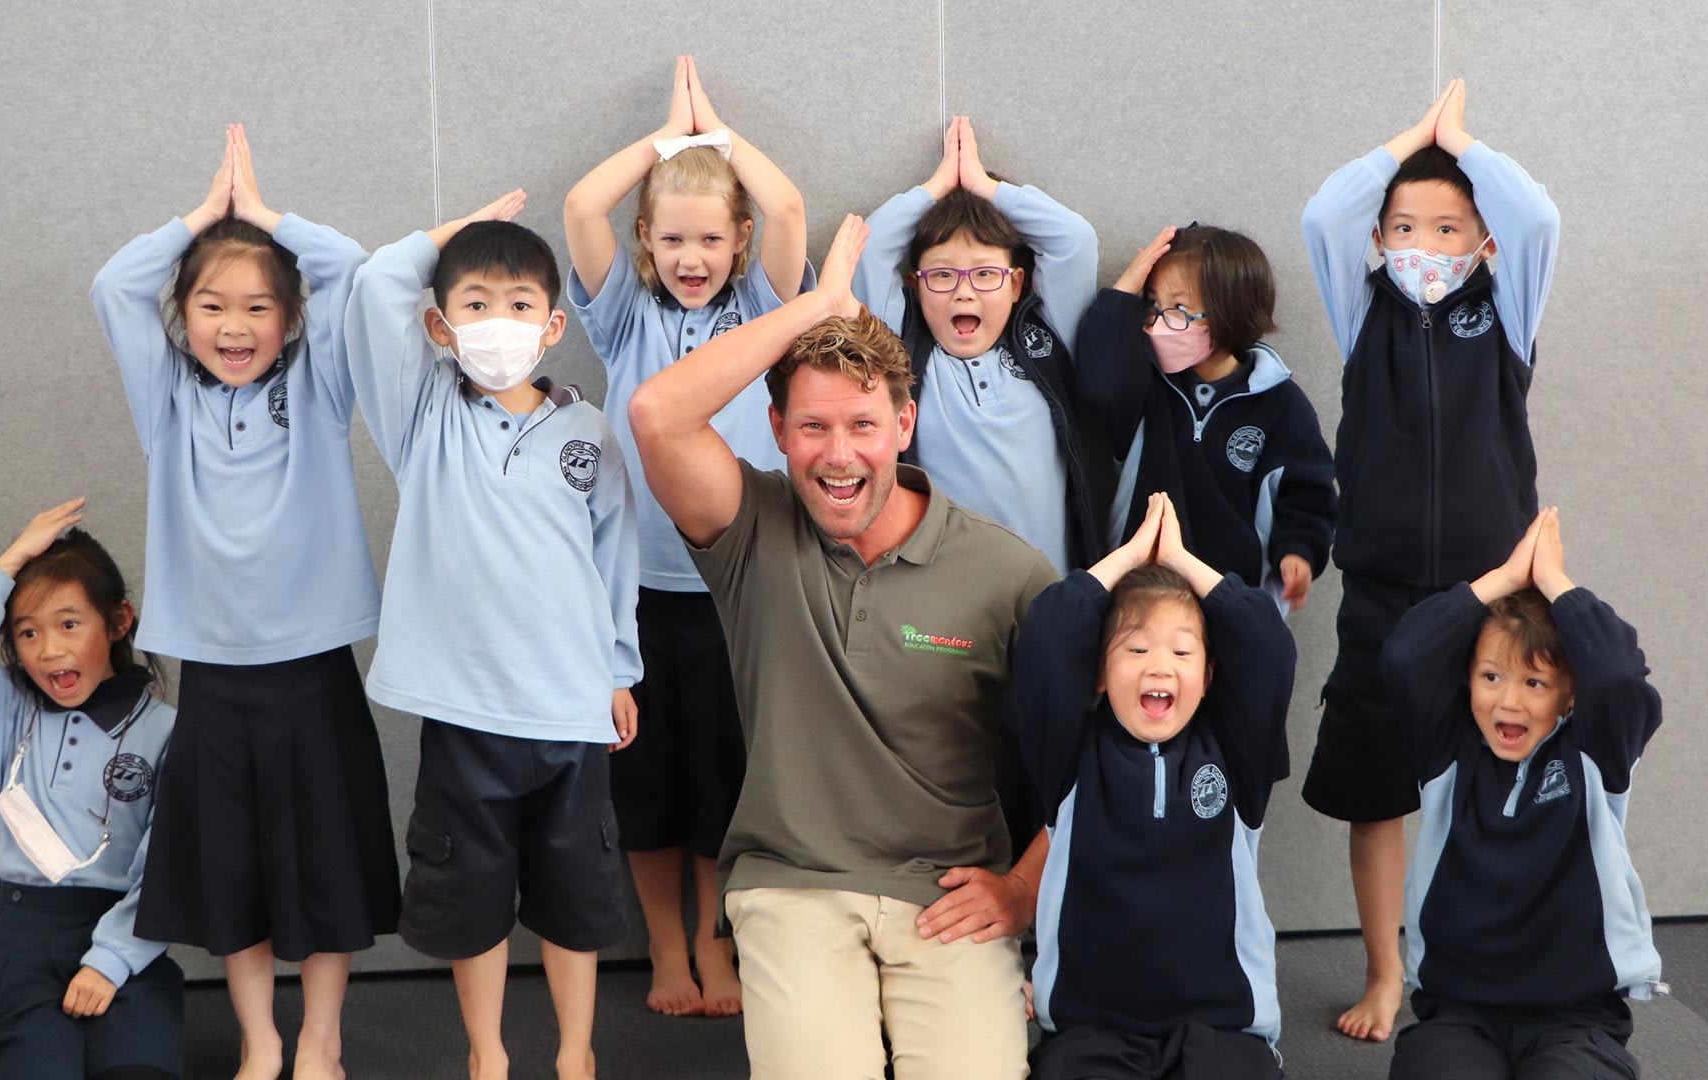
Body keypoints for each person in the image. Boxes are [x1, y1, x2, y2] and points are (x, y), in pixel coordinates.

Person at [628, 214, 1056, 1079]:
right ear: (778, 431)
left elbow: (1095, 749)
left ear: (904, 423)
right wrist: (815, 308)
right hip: (792, 885)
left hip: (948, 895)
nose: (838, 455)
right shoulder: (753, 529)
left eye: (862, 426)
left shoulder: (1006, 571)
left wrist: (1022, 890)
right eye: (813, 428)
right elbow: (656, 413)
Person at [91, 124, 399, 1079]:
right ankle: (262, 1040)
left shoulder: (317, 386)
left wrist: (261, 215)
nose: (235, 326)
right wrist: (198, 217)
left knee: (327, 858)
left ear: (291, 318)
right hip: (213, 673)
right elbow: (113, 286)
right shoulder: (167, 400)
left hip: (313, 665)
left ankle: (320, 1038)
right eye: (211, 305)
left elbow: (351, 266)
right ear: (180, 316)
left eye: (259, 307)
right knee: (234, 866)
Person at [345, 190, 640, 1080]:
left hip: (570, 709)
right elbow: (372, 288)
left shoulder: (588, 434)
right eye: (475, 305)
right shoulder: (423, 418)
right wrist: (445, 235)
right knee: (468, 897)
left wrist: (619, 671)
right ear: (441, 327)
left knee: (575, 896)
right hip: (466, 712)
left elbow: (613, 564)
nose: (496, 322)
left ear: (552, 327)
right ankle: (487, 1055)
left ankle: (577, 1054)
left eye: (517, 307)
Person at [1298, 78, 1560, 1041]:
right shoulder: (1363, 311)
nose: (1422, 246)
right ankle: (1385, 973)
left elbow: (1537, 213)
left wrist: (1465, 146)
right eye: (1403, 227)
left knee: (1496, 779)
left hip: (1494, 593)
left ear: (1482, 244)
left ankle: (1487, 969)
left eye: (1447, 229)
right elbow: (1327, 210)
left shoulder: (1511, 309)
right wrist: (1406, 140)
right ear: (1381, 242)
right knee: (1380, 790)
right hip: (1381, 589)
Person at [562, 55, 809, 1017]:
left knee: (728, 782)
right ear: (648, 245)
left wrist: (720, 140)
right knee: (649, 787)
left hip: (742, 586)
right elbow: (584, 208)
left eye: (711, 236)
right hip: (635, 596)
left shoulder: (762, 308)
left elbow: (788, 211)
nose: (692, 255)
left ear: (737, 241)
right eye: (673, 239)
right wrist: (671, 142)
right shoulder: (624, 317)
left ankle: (719, 949)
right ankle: (666, 950)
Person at [1017, 492, 1292, 1080]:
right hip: (1091, 1030)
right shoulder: (1068, 758)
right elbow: (1047, 631)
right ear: (1098, 671)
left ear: (1208, 674)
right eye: (1136, 648)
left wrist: (1183, 560)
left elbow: (1267, 645)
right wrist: (1130, 556)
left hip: (1223, 1029)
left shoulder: (1236, 761)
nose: (1159, 665)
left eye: (1181, 650)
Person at [1382, 508, 1662, 1079]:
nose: (1508, 702)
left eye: (1534, 683)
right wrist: (1506, 578)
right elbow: (1405, 655)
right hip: (1458, 1013)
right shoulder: (1447, 750)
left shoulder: (1592, 754)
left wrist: (1556, 583)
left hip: (1576, 1017)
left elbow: (1617, 676)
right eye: (1491, 677)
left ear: (1568, 696)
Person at [0, 498, 182, 1080]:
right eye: (28, 632)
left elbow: (172, 860)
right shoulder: (10, 717)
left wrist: (112, 960)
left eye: (69, 624)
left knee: (137, 1066)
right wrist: (11, 560)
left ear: (118, 622)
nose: (49, 649)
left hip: (128, 932)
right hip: (21, 938)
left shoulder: (168, 730)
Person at [851, 116, 1104, 573]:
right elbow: (870, 249)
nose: (963, 292)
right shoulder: (904, 351)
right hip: (948, 601)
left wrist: (985, 188)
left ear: (1016, 284)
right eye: (943, 275)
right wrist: (937, 187)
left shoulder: (1044, 341)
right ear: (916, 284)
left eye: (985, 274)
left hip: (1047, 590)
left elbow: (1075, 241)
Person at [1077, 223, 1334, 611]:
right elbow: (1099, 382)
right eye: (1153, 305)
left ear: (1231, 312)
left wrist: (1299, 550)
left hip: (1230, 596)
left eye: (1179, 310)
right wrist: (1122, 294)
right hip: (1137, 594)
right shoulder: (1146, 385)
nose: (1159, 323)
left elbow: (1308, 492)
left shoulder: (1281, 403)